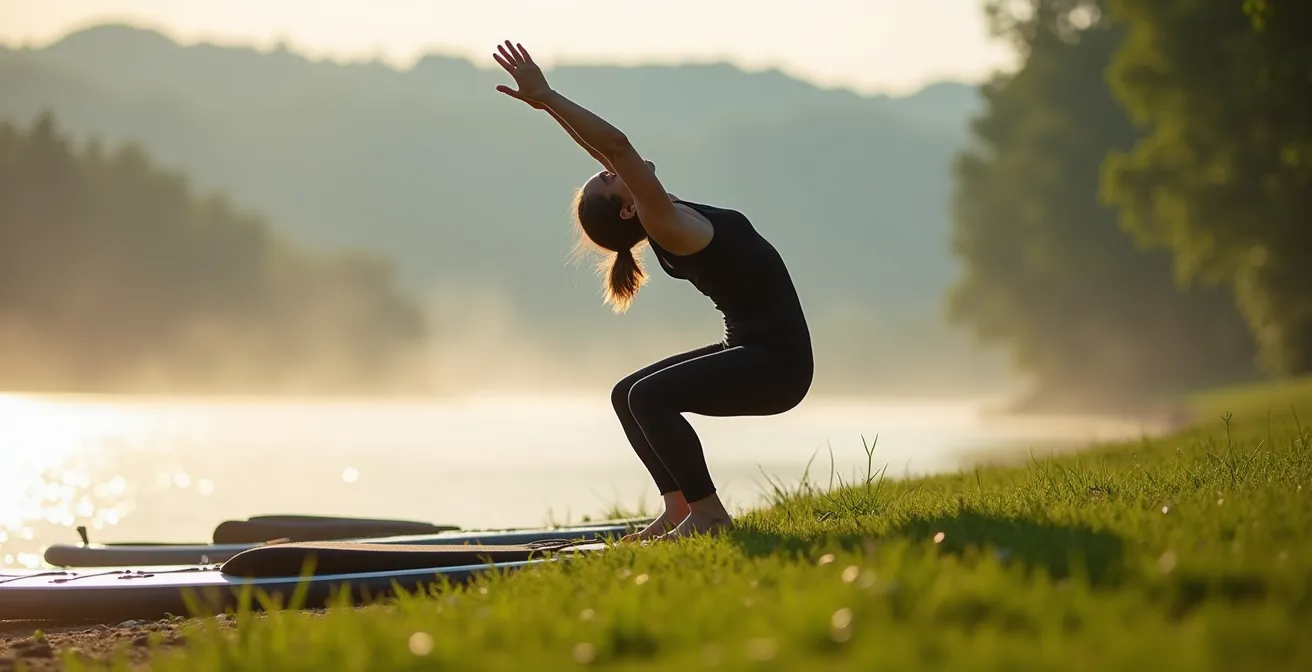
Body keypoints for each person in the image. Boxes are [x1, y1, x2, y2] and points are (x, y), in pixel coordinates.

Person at [492, 41, 814, 540]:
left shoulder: (668, 214)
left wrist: (547, 103)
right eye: (608, 179)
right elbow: (617, 147)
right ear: (627, 210)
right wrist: (549, 97)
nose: (613, 167)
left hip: (776, 363)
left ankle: (698, 513)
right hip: (767, 359)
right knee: (632, 395)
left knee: (643, 396)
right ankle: (693, 510)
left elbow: (610, 150)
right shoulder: (663, 223)